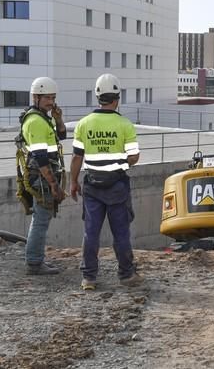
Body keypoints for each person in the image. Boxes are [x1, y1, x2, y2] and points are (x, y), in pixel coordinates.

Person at [70, 74, 142, 291]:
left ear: (98, 97)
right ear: (117, 98)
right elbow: (134, 157)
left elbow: (76, 158)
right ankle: (126, 275)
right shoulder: (125, 125)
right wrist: (119, 160)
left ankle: (89, 278)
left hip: (92, 186)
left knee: (91, 232)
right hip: (117, 187)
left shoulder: (83, 124)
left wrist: (73, 182)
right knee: (121, 233)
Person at [19, 76, 67, 275]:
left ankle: (35, 260)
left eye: (53, 97)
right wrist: (54, 185)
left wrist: (58, 119)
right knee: (41, 219)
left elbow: (61, 136)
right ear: (36, 97)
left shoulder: (43, 118)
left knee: (41, 218)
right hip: (41, 178)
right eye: (47, 98)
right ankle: (34, 263)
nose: (51, 102)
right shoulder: (36, 122)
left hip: (42, 177)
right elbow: (41, 158)